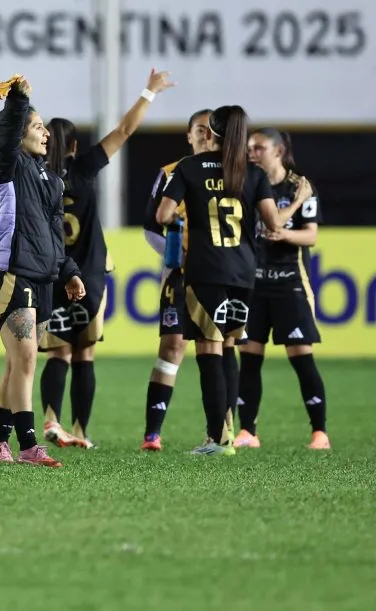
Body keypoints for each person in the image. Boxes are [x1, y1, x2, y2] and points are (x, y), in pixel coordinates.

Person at [39, 69, 175, 449]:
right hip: (91, 272)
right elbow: (124, 132)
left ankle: (51, 419)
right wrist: (149, 91)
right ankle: (81, 431)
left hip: (52, 272)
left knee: (57, 352)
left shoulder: (38, 175)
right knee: (85, 353)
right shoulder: (83, 169)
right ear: (74, 148)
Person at [156, 105, 283, 456]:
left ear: (209, 132)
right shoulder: (252, 173)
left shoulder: (190, 167)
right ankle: (227, 428)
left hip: (206, 270)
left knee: (208, 350)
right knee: (229, 346)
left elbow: (163, 214)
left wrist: (183, 222)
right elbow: (273, 224)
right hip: (244, 273)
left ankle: (218, 439)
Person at [0, 76, 84, 467]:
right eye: (38, 127)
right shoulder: (6, 164)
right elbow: (3, 132)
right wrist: (19, 99)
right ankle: (28, 446)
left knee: (17, 363)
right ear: (19, 133)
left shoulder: (52, 181)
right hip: (10, 272)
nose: (46, 135)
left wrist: (69, 270)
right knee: (25, 359)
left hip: (42, 278)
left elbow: (56, 236)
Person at [235, 130, 330, 450]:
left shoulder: (298, 186)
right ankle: (247, 431)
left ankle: (319, 432)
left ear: (278, 150)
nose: (251, 153)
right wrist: (279, 226)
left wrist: (285, 234)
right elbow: (262, 227)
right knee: (249, 357)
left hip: (290, 281)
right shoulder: (248, 183)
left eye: (258, 148)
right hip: (253, 282)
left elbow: (310, 237)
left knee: (301, 356)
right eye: (249, 148)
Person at [140, 109, 212, 451]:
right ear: (188, 136)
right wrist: (176, 258)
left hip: (218, 278)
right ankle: (152, 433)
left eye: (211, 130)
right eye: (199, 129)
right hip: (180, 278)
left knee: (217, 350)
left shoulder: (235, 173)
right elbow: (151, 228)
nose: (205, 135)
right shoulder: (171, 173)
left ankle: (222, 432)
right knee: (172, 346)